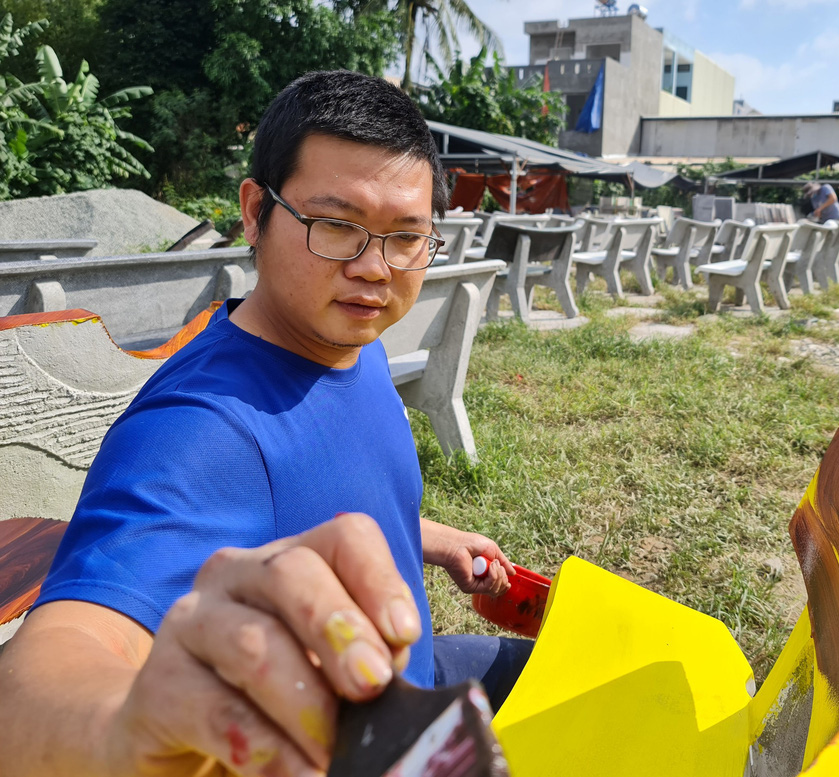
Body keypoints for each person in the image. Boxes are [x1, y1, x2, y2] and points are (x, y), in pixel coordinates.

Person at [0, 71, 530, 777]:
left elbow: (317, 483)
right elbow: (40, 678)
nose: (375, 268)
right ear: (255, 212)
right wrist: (124, 732)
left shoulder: (350, 339)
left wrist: (431, 538)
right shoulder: (198, 429)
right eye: (337, 225)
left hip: (413, 681)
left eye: (406, 236)